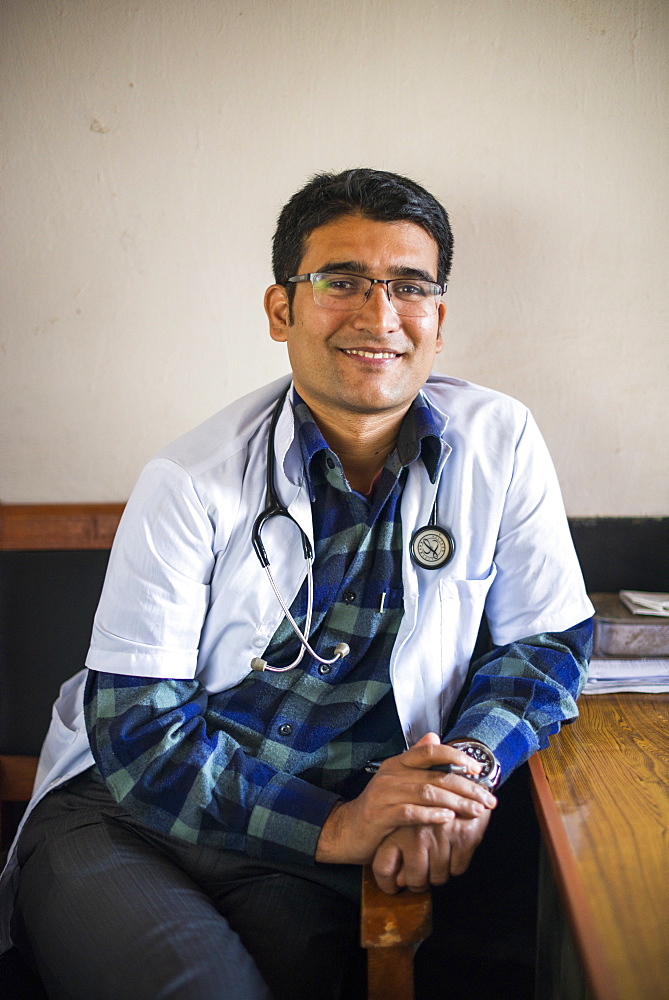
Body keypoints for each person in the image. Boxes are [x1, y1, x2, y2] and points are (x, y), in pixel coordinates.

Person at [0, 168, 593, 1000]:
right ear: (282, 310)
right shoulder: (189, 480)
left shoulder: (499, 441)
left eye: (408, 287)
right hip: (127, 817)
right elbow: (135, 732)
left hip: (298, 847)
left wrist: (459, 775)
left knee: (309, 976)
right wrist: (344, 825)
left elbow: (546, 642)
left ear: (438, 319)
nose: (378, 315)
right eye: (340, 281)